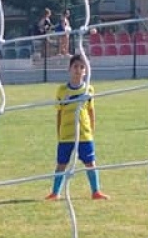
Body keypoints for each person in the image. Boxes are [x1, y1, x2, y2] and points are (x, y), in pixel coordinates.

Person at [46, 54, 108, 201]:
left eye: (82, 67)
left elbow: (91, 111)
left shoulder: (88, 90)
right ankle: (55, 192)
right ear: (69, 69)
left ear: (85, 71)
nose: (78, 70)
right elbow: (59, 113)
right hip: (66, 134)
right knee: (61, 163)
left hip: (84, 134)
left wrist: (91, 131)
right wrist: (59, 132)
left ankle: (96, 191)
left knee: (90, 163)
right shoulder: (62, 90)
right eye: (75, 66)